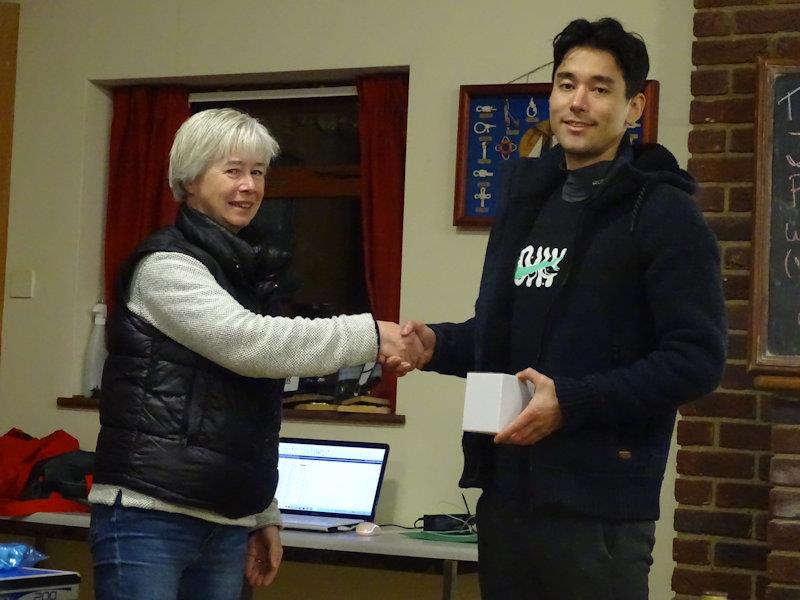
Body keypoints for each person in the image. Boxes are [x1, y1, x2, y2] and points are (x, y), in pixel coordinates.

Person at [396, 17, 727, 600]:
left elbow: (697, 359)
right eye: (566, 83)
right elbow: (508, 336)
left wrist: (569, 403)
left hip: (599, 507)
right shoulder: (528, 200)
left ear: (634, 107)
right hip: (507, 494)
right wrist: (439, 346)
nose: (577, 102)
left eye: (600, 88)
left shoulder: (663, 213)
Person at [89, 107, 422, 600]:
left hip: (226, 518)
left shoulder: (248, 271)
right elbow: (247, 344)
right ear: (190, 179)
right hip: (150, 512)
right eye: (232, 170)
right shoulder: (166, 264)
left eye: (258, 172)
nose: (249, 186)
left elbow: (253, 407)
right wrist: (371, 335)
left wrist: (263, 511)